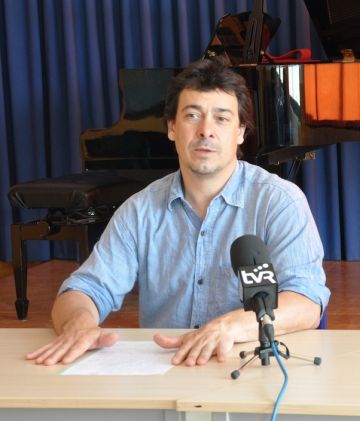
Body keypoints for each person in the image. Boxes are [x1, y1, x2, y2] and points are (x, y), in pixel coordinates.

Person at [27, 57, 330, 366]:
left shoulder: (279, 201)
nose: (205, 131)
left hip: (250, 363)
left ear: (240, 132)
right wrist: (79, 323)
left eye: (222, 118)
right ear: (172, 128)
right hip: (168, 368)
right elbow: (84, 289)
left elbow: (307, 301)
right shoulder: (141, 210)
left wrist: (228, 326)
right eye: (192, 116)